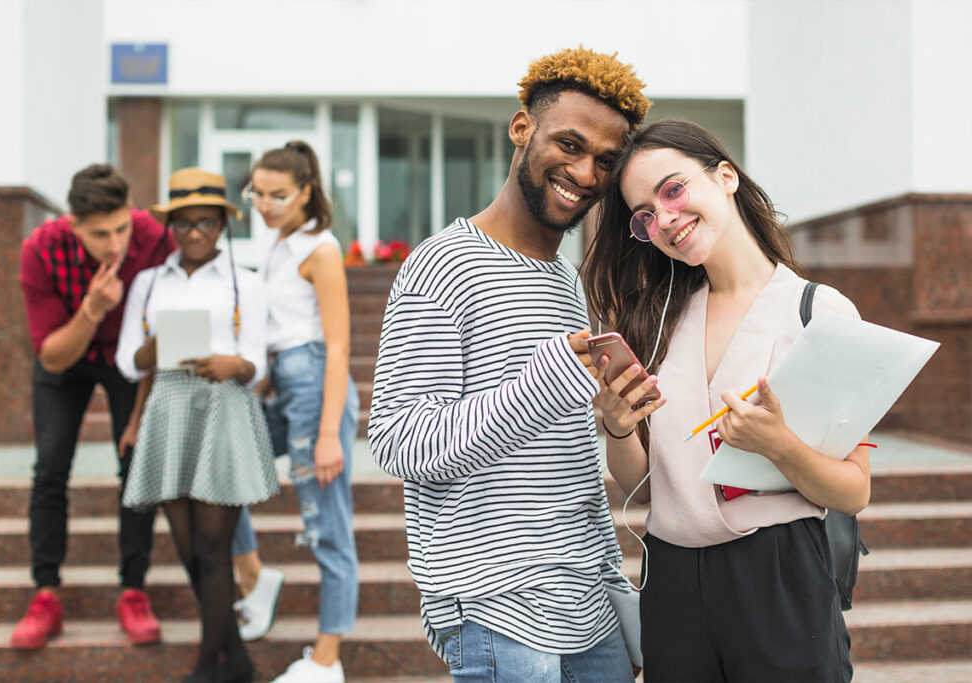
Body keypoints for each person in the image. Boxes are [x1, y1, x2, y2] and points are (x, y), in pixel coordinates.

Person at [368, 47, 650, 682]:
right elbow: (398, 440)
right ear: (522, 128)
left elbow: (565, 463)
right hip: (497, 610)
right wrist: (543, 383)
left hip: (589, 605)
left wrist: (612, 422)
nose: (584, 172)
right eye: (570, 145)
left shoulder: (567, 283)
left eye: (605, 160)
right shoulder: (442, 265)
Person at [581, 119, 870, 681]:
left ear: (726, 177)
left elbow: (854, 491)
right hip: (671, 577)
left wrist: (779, 445)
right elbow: (641, 487)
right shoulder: (657, 318)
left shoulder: (820, 314)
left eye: (673, 189)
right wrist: (617, 427)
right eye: (643, 215)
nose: (663, 218)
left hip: (778, 572)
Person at [116, 168, 278, 683]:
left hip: (222, 408)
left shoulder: (244, 282)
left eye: (204, 222)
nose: (192, 234)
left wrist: (236, 365)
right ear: (170, 228)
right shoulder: (148, 282)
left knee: (213, 545)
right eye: (182, 224)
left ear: (222, 225)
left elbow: (257, 360)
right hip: (168, 409)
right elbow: (127, 361)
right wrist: (155, 348)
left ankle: (210, 666)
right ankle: (240, 663)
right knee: (189, 549)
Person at [14, 164, 172, 650]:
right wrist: (91, 309)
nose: (115, 244)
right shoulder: (41, 249)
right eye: (100, 234)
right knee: (51, 468)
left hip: (131, 358)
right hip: (71, 350)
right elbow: (52, 355)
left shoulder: (154, 238)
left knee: (137, 467)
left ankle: (133, 590)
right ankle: (45, 595)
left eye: (121, 227)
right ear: (73, 224)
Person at [239, 140, 361, 683]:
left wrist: (331, 434)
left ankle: (327, 659)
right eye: (256, 194)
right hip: (279, 386)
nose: (264, 205)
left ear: (306, 192)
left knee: (327, 527)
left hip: (315, 387)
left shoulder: (322, 250)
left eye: (278, 195)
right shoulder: (279, 245)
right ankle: (255, 578)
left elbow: (336, 347)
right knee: (225, 476)